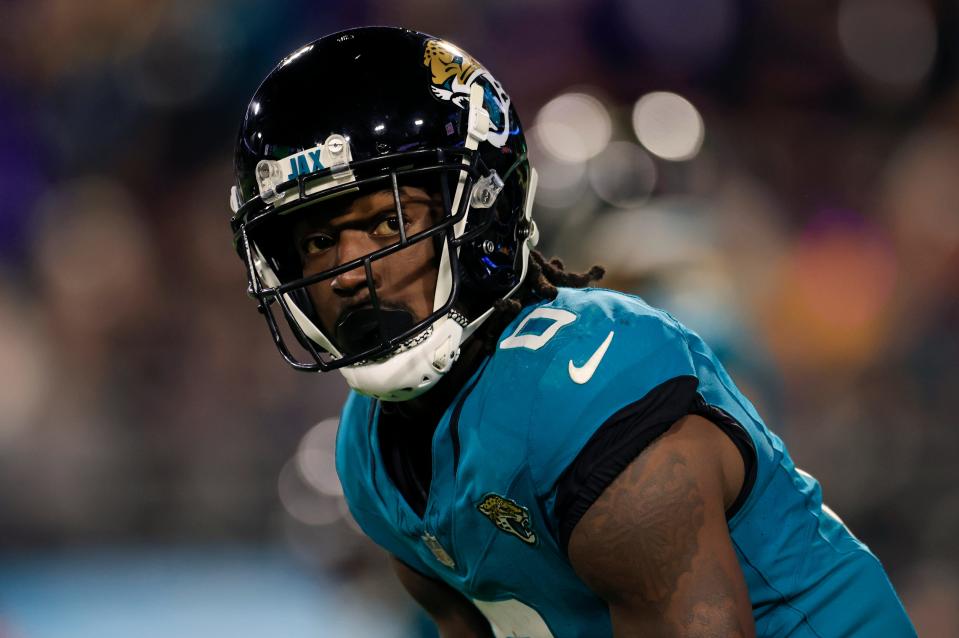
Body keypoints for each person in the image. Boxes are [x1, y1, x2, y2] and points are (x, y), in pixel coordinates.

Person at [228, 26, 916, 638]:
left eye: (386, 224)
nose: (349, 271)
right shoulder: (368, 448)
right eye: (318, 239)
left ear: (482, 215)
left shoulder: (585, 387)